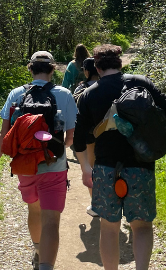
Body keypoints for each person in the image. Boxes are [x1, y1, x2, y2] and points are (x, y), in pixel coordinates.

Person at [74, 44, 166, 270]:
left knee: (109, 227)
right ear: (120, 64)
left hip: (105, 168)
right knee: (142, 226)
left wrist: (85, 168)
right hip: (141, 165)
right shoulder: (141, 83)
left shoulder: (89, 94)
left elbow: (79, 139)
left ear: (97, 68)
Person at [0, 51, 77, 270]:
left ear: (31, 69)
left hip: (25, 166)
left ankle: (37, 252)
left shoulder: (16, 94)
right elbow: (70, 138)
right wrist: (53, 148)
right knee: (51, 220)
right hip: (54, 166)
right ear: (52, 70)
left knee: (34, 211)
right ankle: (46, 266)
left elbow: (4, 135)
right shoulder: (64, 94)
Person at [72, 58, 100, 217]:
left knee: (91, 168)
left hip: (88, 135)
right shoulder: (106, 86)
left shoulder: (81, 88)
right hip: (108, 133)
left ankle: (96, 204)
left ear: (87, 71)